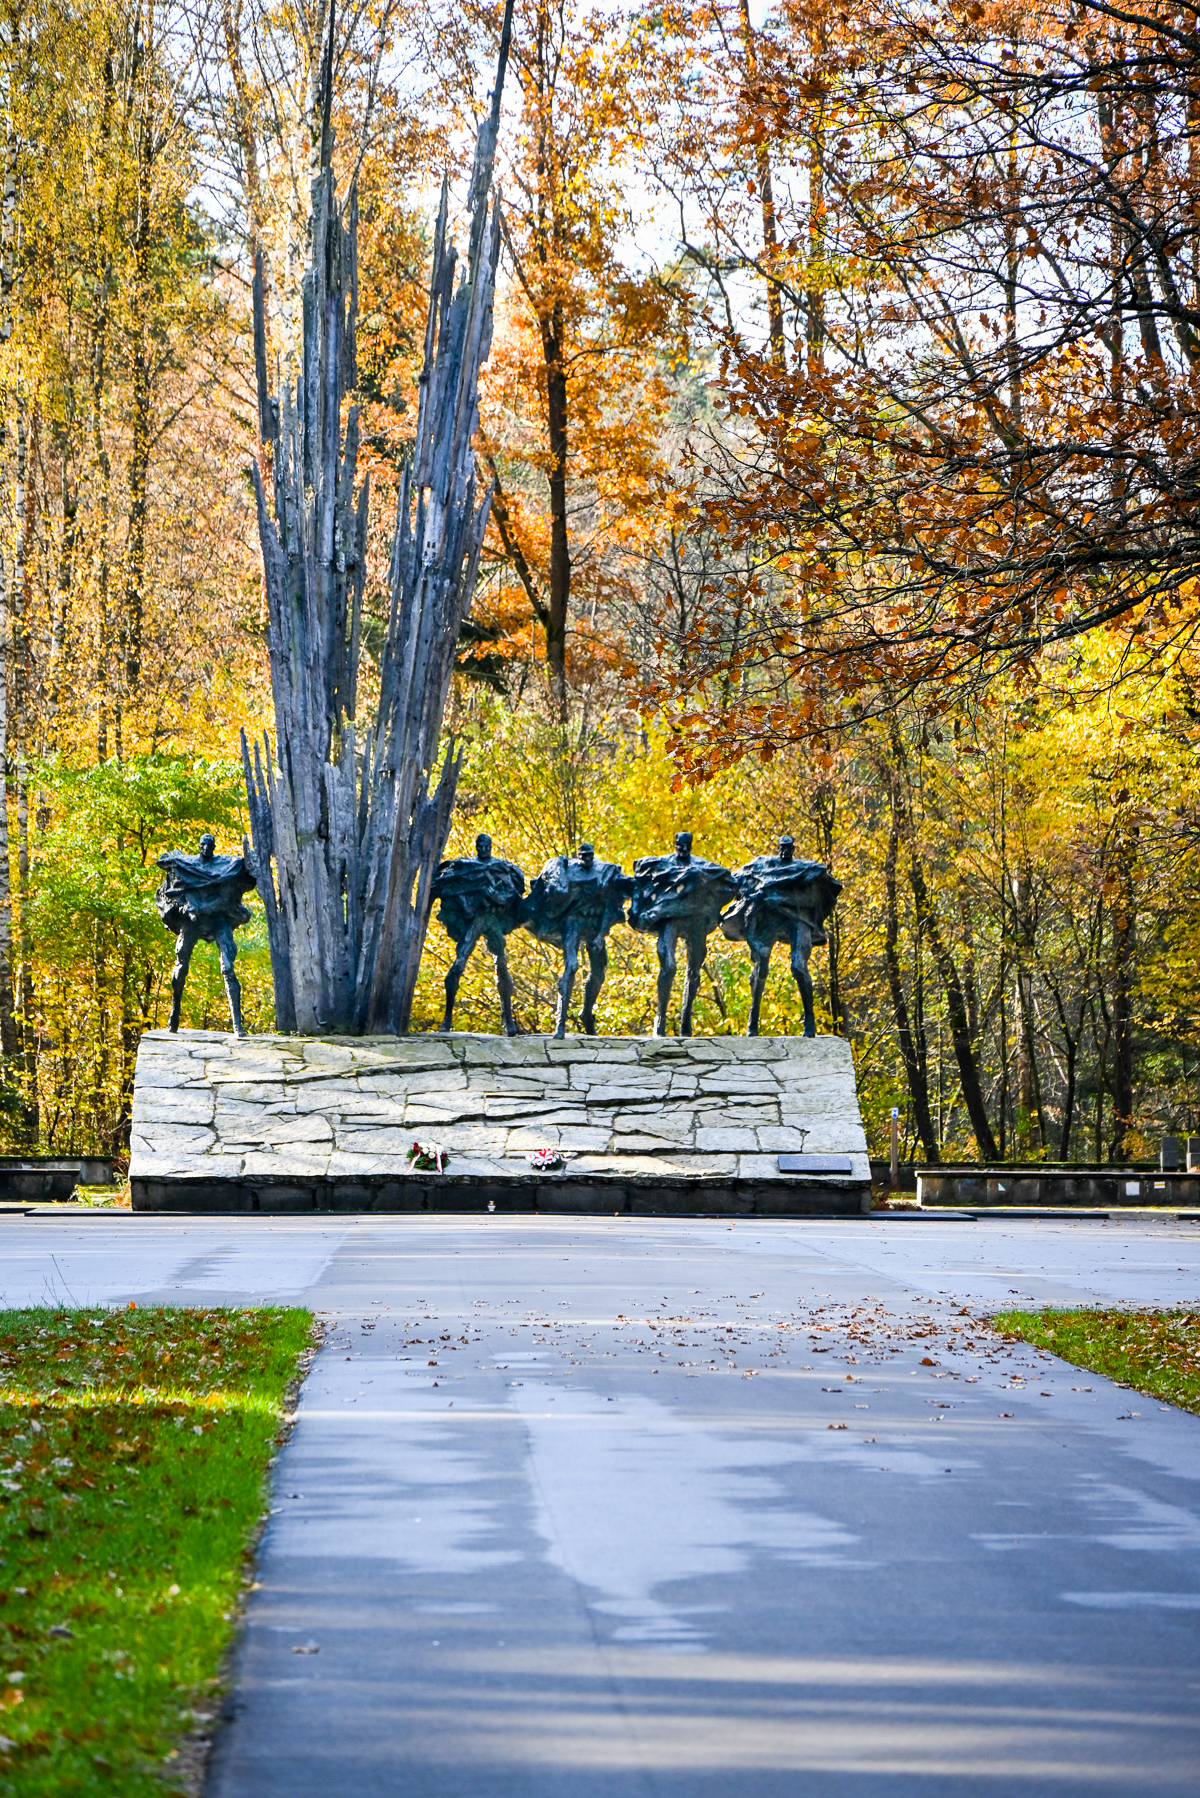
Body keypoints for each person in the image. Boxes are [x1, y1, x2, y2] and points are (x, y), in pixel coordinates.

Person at [720, 835, 842, 1037]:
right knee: (760, 967)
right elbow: (742, 887)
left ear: (793, 848)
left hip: (796, 920)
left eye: (788, 847)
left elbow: (813, 897)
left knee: (798, 966)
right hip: (770, 920)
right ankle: (753, 1019)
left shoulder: (805, 870)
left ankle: (809, 1021)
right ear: (778, 848)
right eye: (782, 847)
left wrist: (780, 897)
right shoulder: (764, 866)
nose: (785, 851)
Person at [629, 831, 739, 1036]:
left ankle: (686, 1017)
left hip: (695, 921)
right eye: (680, 844)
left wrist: (711, 909)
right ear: (675, 844)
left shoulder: (701, 866)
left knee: (694, 971)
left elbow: (729, 882)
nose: (683, 848)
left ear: (691, 845)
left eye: (687, 845)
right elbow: (640, 875)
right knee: (668, 966)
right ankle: (660, 1016)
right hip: (669, 920)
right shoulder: (663, 864)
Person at [522, 843, 632, 1037]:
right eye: (583, 856)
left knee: (599, 970)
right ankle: (560, 1023)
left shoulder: (604, 872)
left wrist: (600, 935)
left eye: (590, 856)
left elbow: (610, 905)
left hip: (594, 924)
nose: (587, 859)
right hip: (572, 921)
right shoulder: (568, 869)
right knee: (571, 965)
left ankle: (586, 1013)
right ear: (579, 856)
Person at [155, 835, 257, 1037]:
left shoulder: (225, 866)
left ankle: (238, 1024)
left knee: (227, 967)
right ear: (199, 846)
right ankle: (174, 1014)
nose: (206, 848)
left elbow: (225, 899)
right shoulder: (187, 865)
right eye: (203, 844)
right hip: (192, 922)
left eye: (210, 845)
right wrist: (185, 907)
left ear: (214, 847)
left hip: (217, 920)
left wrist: (201, 908)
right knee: (181, 961)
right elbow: (173, 890)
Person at [430, 833, 526, 1034]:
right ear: (477, 847)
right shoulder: (467, 867)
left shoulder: (500, 867)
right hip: (475, 919)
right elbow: (454, 887)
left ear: (491, 846)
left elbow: (511, 893)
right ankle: (447, 1018)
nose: (484, 849)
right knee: (459, 963)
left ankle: (508, 1020)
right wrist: (468, 903)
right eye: (481, 846)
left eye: (487, 846)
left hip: (492, 919)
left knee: (501, 963)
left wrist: (495, 898)